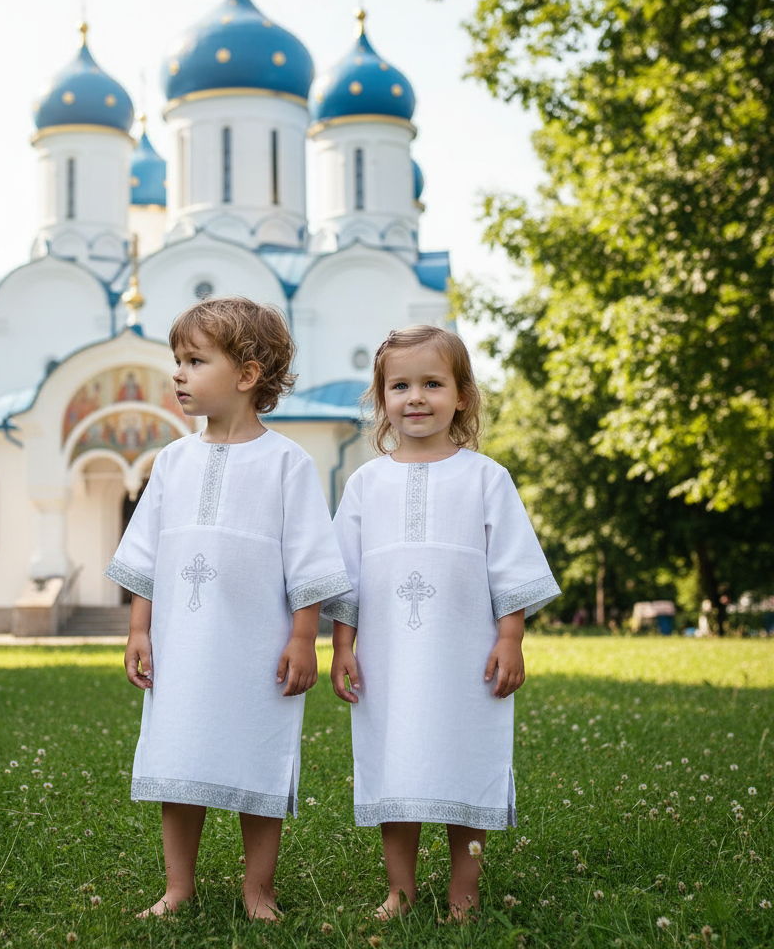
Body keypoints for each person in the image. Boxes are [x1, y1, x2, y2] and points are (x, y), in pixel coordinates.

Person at [105, 296, 350, 921]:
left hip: (257, 649)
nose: (178, 374)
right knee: (179, 757)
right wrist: (139, 629)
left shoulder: (287, 463)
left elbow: (309, 561)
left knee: (257, 762)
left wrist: (304, 639)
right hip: (181, 646)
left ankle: (257, 889)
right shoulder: (172, 461)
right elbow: (145, 554)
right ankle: (178, 887)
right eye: (178, 361)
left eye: (195, 361)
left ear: (246, 374)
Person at [323, 325, 560, 922]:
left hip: (466, 659)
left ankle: (465, 891)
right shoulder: (365, 484)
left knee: (467, 766)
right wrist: (343, 647)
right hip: (387, 663)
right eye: (400, 386)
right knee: (394, 766)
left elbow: (511, 567)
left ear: (462, 396)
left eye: (433, 383)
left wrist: (511, 639)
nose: (416, 398)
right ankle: (399, 891)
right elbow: (347, 578)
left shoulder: (486, 478)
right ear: (382, 399)